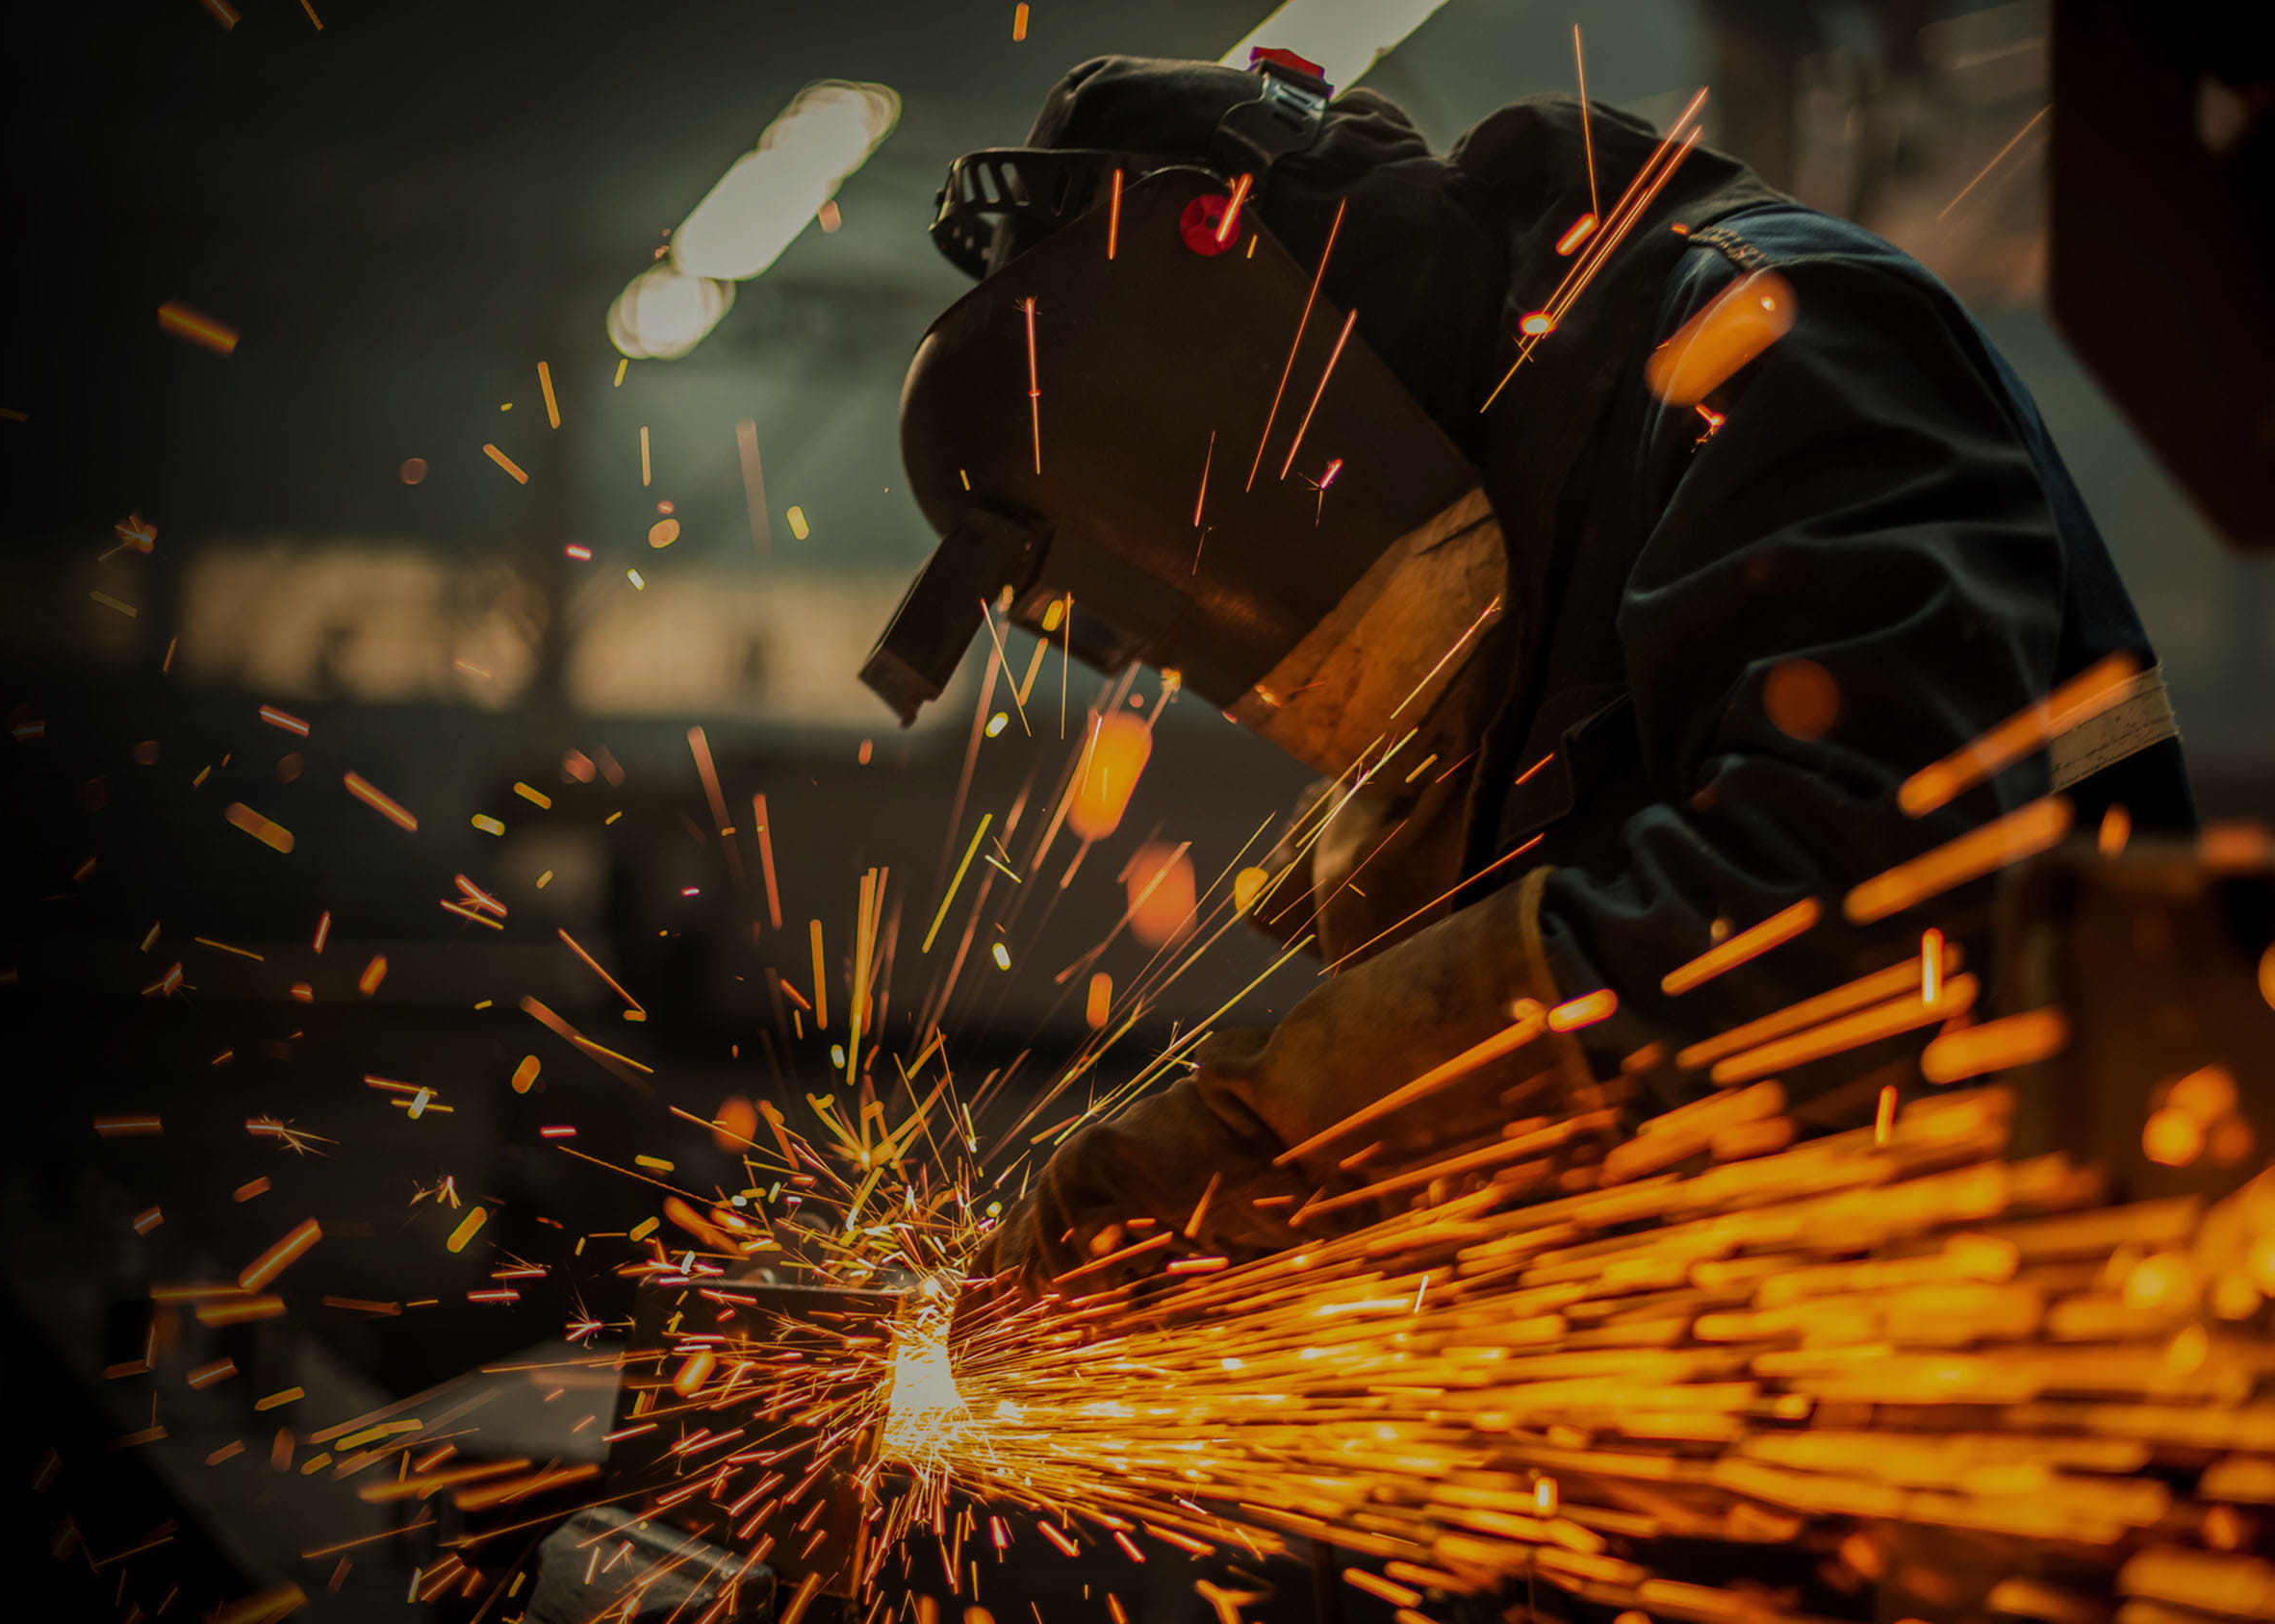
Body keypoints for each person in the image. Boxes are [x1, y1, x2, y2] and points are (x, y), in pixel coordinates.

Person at [856, 54, 2195, 1291]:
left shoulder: (1759, 336)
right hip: (1722, 1376)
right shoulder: (1504, 498)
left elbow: (1864, 907)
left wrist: (1283, 1149)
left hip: (2012, 1320)